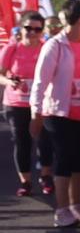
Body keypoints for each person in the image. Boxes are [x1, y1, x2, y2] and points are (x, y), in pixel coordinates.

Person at [31, 0, 80, 228]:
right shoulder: (54, 46)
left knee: (77, 161)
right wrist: (36, 113)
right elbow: (40, 82)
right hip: (59, 113)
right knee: (63, 160)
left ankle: (76, 205)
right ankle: (62, 209)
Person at [3, 13, 48, 196]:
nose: (32, 33)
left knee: (46, 140)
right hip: (16, 103)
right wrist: (9, 81)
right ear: (21, 29)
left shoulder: (47, 48)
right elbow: (0, 73)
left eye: (37, 29)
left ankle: (46, 177)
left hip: (42, 102)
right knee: (22, 142)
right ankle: (25, 181)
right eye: (28, 28)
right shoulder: (12, 48)